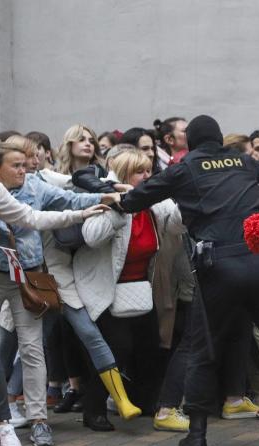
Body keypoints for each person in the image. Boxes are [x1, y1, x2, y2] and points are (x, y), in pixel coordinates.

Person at [119, 114, 259, 446]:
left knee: (203, 350)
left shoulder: (184, 169)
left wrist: (118, 198)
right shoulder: (244, 161)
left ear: (192, 142)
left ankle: (197, 435)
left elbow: (136, 200)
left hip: (218, 269)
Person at [0, 125, 104, 446]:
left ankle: (23, 421)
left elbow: (34, 217)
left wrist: (82, 213)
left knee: (10, 349)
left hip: (4, 279)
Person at [72, 148, 184, 431]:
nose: (146, 177)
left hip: (138, 289)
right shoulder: (107, 199)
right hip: (103, 289)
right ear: (123, 176)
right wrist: (121, 207)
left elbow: (176, 226)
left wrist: (182, 201)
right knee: (116, 349)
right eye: (139, 172)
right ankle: (94, 409)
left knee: (149, 346)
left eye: (149, 171)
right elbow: (92, 237)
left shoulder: (153, 203)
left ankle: (144, 401)